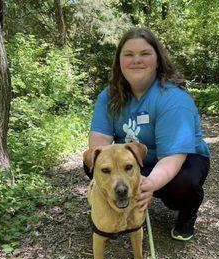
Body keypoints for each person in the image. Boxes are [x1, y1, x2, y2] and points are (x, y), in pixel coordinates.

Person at [84, 27, 211, 241]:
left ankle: (187, 215)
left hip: (181, 160)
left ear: (158, 60)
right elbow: (99, 145)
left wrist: (148, 184)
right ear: (119, 61)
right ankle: (114, 213)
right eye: (129, 54)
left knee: (183, 185)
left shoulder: (173, 100)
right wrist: (115, 174)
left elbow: (171, 158)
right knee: (94, 166)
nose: (136, 60)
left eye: (145, 54)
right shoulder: (109, 96)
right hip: (134, 160)